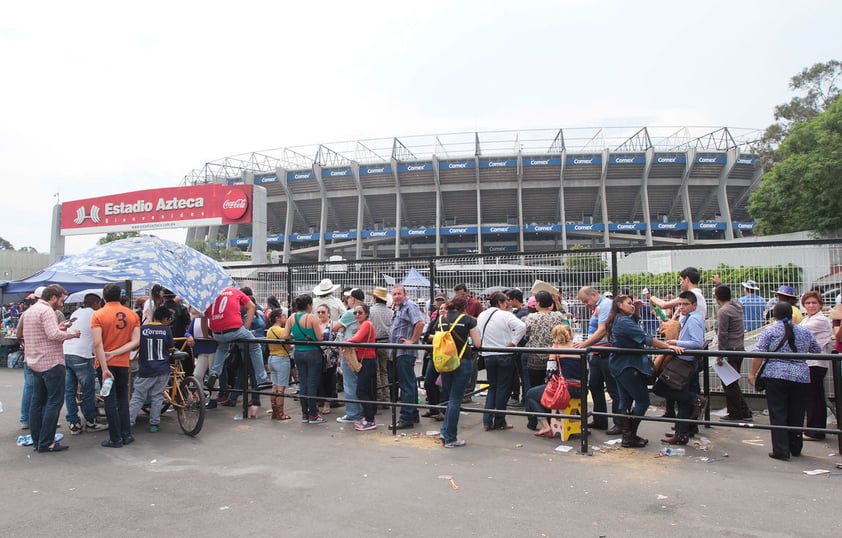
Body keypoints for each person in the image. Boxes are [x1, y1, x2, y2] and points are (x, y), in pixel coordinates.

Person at [606, 295, 682, 447]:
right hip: (628, 366)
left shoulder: (621, 319)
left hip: (621, 365)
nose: (632, 305)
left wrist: (637, 310)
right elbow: (644, 337)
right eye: (629, 303)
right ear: (620, 305)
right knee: (642, 400)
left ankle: (627, 435)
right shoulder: (623, 322)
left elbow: (635, 329)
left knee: (625, 400)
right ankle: (629, 435)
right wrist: (667, 346)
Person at [749, 301, 820, 461]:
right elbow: (816, 349)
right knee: (797, 411)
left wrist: (752, 373)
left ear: (774, 315)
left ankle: (781, 449)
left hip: (776, 374)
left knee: (778, 411)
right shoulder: (804, 331)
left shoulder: (770, 330)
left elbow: (760, 352)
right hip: (801, 375)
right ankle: (795, 447)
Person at [20, 285, 80, 453]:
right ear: (53, 297)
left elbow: (44, 333)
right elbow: (53, 335)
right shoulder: (47, 312)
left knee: (37, 402)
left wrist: (59, 329)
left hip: (34, 362)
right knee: (54, 402)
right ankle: (47, 442)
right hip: (51, 362)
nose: (62, 303)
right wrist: (72, 334)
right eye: (61, 299)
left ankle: (38, 439)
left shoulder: (31, 311)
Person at [654, 291, 706, 445]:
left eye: (685, 304)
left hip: (685, 362)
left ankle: (695, 400)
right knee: (681, 397)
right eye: (680, 304)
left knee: (660, 388)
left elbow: (697, 343)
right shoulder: (689, 318)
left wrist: (677, 343)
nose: (682, 307)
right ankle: (681, 433)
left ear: (694, 305)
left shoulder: (694, 319)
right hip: (684, 361)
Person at [92, 283, 141, 448]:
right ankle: (126, 434)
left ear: (103, 297)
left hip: (104, 363)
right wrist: (118, 352)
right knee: (122, 398)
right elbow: (135, 341)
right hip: (122, 362)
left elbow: (97, 344)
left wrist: (105, 367)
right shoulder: (132, 315)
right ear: (120, 297)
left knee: (109, 400)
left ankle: (115, 438)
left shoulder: (98, 315)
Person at [205, 287, 273, 394]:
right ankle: (262, 378)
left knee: (222, 348)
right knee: (255, 347)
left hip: (217, 332)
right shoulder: (235, 291)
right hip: (234, 329)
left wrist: (206, 334)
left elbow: (205, 316)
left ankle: (214, 372)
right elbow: (252, 306)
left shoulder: (211, 294)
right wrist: (246, 327)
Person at [573, 286, 621, 434]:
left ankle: (618, 422)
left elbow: (602, 330)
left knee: (613, 390)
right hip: (597, 352)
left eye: (586, 301)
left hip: (605, 352)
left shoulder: (605, 305)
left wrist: (584, 344)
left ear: (594, 295)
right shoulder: (599, 306)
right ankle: (600, 419)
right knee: (595, 386)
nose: (585, 305)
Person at [436, 296, 481, 447]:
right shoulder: (468, 320)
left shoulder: (442, 318)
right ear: (464, 307)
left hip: (446, 360)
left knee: (450, 398)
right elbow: (477, 343)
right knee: (456, 399)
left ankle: (445, 430)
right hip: (463, 361)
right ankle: (450, 437)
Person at [477, 292, 526, 431]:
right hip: (504, 353)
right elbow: (522, 327)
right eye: (506, 302)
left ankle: (487, 420)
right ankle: (500, 421)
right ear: (499, 302)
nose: (508, 305)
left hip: (488, 355)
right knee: (503, 388)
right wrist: (514, 342)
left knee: (492, 387)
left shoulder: (482, 315)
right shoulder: (506, 315)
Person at [63, 292, 108, 434]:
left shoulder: (77, 312)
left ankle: (74, 424)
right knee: (87, 390)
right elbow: (99, 338)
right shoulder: (94, 314)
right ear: (96, 304)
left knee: (70, 391)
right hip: (82, 355)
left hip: (66, 352)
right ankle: (90, 421)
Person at [524, 291, 569, 431]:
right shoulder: (558, 316)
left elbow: (527, 333)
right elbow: (566, 322)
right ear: (550, 303)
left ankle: (534, 421)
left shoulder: (531, 317)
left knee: (533, 389)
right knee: (551, 389)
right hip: (554, 358)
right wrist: (557, 302)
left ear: (537, 303)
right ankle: (551, 419)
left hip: (535, 358)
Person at [527, 324, 582, 438]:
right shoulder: (579, 348)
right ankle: (579, 423)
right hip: (580, 388)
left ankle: (545, 426)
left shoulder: (555, 348)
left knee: (531, 394)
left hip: (564, 389)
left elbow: (550, 373)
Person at [128, 306, 174, 433]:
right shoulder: (167, 330)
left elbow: (135, 345)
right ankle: (154, 424)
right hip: (163, 369)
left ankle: (129, 422)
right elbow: (170, 349)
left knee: (138, 396)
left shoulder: (142, 330)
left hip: (146, 369)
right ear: (164, 319)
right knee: (158, 396)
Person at [715, 285, 754, 422]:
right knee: (732, 382)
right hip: (739, 348)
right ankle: (743, 411)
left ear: (717, 298)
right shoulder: (736, 307)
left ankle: (737, 412)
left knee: (729, 383)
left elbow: (723, 334)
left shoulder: (723, 311)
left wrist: (720, 354)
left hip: (730, 350)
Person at [284, 294, 324, 424]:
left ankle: (305, 414)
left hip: (298, 352)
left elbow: (285, 336)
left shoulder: (291, 318)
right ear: (309, 305)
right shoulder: (311, 317)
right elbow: (319, 337)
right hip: (312, 352)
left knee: (303, 383)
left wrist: (297, 337)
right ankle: (314, 414)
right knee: (312, 383)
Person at [389, 284, 425, 430]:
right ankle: (412, 414)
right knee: (408, 383)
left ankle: (406, 417)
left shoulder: (409, 306)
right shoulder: (400, 308)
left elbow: (420, 323)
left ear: (405, 294)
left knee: (406, 384)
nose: (397, 296)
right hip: (400, 350)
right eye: (394, 294)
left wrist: (412, 340)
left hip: (405, 351)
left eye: (399, 294)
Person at [799, 291, 833, 440]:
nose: (811, 305)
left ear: (820, 304)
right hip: (809, 363)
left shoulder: (820, 320)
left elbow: (800, 332)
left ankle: (815, 431)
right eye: (808, 303)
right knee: (814, 396)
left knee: (814, 397)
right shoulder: (807, 318)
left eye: (814, 303)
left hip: (816, 363)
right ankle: (814, 430)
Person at [333, 287, 365, 424]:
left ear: (353, 299)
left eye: (349, 298)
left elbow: (335, 327)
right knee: (360, 383)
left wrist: (340, 326)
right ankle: (361, 410)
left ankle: (353, 413)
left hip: (349, 350)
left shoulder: (350, 313)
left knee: (350, 383)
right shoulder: (365, 312)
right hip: (362, 350)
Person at [345, 304, 378, 431]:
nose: (357, 315)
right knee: (366, 390)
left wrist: (345, 342)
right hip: (367, 360)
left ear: (366, 313)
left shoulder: (366, 324)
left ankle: (370, 420)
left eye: (360, 312)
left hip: (367, 360)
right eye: (355, 313)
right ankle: (369, 417)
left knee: (362, 390)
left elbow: (357, 339)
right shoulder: (364, 324)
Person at [454, 283, 482, 401]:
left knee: (472, 367)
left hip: (471, 338)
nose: (459, 297)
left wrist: (468, 318)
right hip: (459, 339)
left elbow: (481, 319)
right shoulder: (455, 304)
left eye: (461, 294)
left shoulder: (475, 304)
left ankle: (469, 392)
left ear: (466, 292)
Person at [266, 308, 292, 421]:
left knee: (274, 386)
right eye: (283, 316)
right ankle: (280, 413)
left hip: (272, 358)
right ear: (277, 318)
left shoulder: (269, 330)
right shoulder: (282, 331)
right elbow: (288, 346)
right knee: (281, 388)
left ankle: (275, 411)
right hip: (282, 359)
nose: (285, 318)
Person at [370, 287, 393, 405]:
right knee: (384, 370)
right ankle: (387, 397)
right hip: (387, 342)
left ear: (375, 298)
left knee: (377, 371)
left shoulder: (370, 311)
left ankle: (379, 397)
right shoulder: (391, 312)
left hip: (374, 342)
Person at [506, 288, 529, 407]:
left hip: (521, 348)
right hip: (520, 348)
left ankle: (525, 399)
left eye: (509, 299)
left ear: (515, 300)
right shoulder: (518, 312)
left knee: (524, 375)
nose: (508, 302)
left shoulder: (522, 313)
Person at [315, 304, 339, 416]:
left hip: (331, 356)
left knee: (329, 379)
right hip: (317, 355)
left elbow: (339, 339)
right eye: (318, 312)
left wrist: (340, 356)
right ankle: (317, 401)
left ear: (328, 313)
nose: (320, 314)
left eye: (323, 312)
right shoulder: (315, 324)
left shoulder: (333, 324)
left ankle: (327, 403)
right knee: (317, 379)